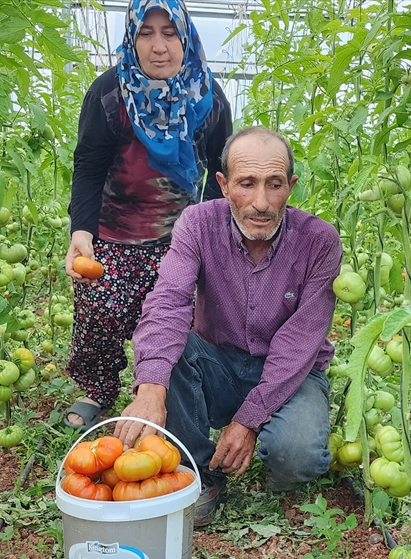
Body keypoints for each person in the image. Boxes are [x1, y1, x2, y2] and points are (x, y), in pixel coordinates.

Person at [115, 127, 343, 526]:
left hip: (292, 373)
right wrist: (150, 388)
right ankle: (198, 471)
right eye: (246, 184)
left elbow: (299, 341)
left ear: (290, 186)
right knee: (177, 350)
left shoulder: (319, 241)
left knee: (297, 457)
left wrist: (249, 420)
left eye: (274, 185)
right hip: (216, 361)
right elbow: (168, 300)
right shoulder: (198, 224)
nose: (261, 203)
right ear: (223, 185)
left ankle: (273, 451)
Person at [63, 0, 233, 430]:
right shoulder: (109, 93)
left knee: (173, 317)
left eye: (169, 32)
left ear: (186, 38)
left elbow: (220, 172)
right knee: (99, 311)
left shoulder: (208, 99)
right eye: (146, 33)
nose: (159, 46)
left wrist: (211, 231)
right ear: (132, 39)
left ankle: (155, 392)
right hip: (113, 232)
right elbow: (89, 165)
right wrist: (80, 232)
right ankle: (97, 389)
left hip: (180, 238)